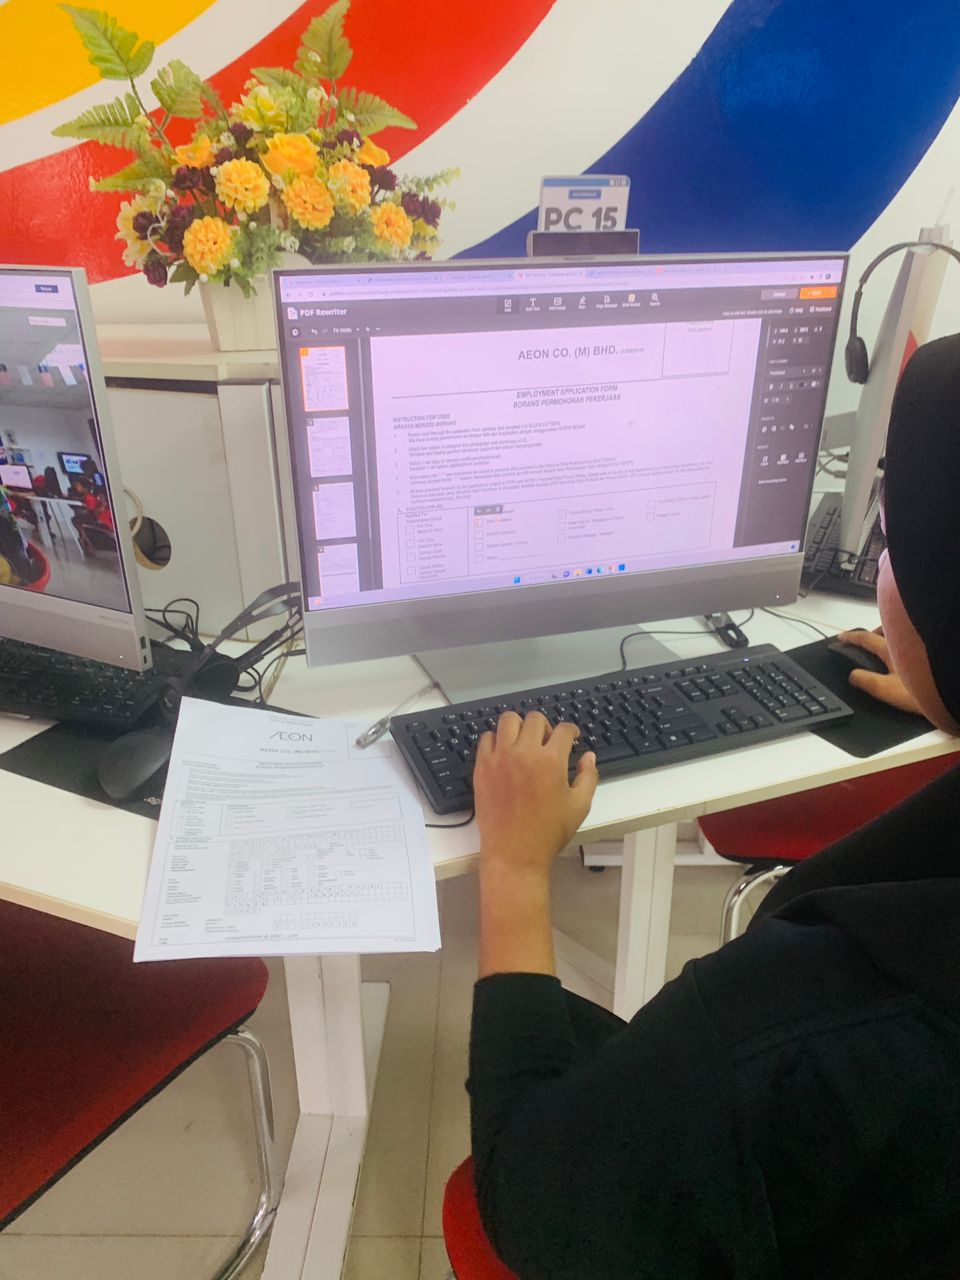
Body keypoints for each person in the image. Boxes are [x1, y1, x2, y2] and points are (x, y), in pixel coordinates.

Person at [467, 335, 960, 1279]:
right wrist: (947, 689)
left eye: (892, 542)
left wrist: (515, 866)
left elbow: (533, 1198)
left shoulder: (794, 1027)